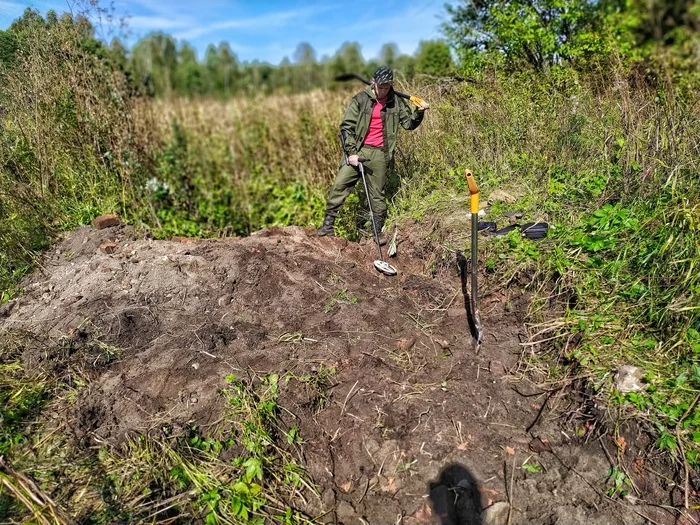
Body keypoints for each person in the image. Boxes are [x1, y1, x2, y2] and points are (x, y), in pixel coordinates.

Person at [315, 65, 429, 243]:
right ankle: (327, 226)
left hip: (380, 154)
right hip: (357, 149)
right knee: (339, 185)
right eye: (381, 86)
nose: (383, 90)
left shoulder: (396, 102)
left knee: (377, 195)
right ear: (373, 82)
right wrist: (351, 153)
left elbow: (408, 124)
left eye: (387, 87)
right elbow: (346, 128)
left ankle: (376, 232)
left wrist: (419, 113)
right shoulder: (360, 100)